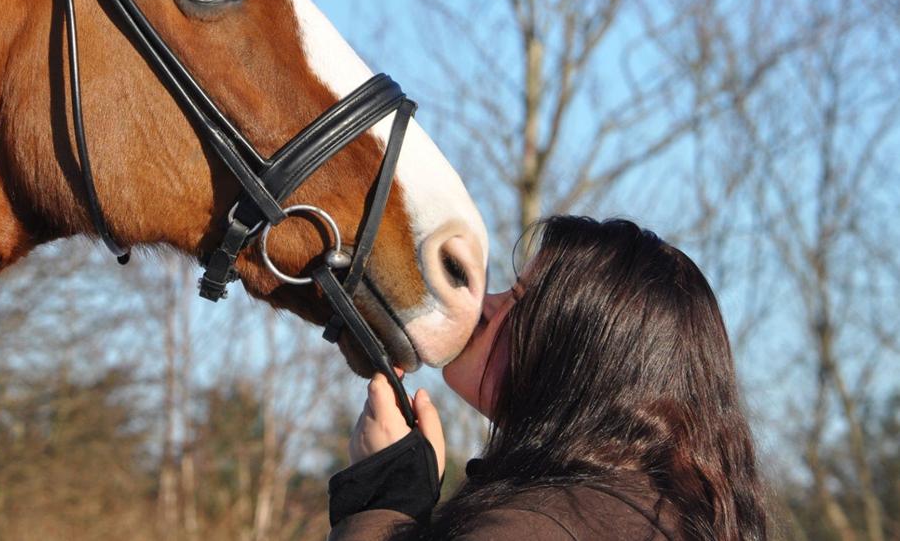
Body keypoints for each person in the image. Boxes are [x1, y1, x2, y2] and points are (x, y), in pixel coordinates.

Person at [328, 216, 768, 540]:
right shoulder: (657, 515)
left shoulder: (536, 527)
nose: (484, 304)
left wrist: (383, 500)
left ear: (575, 352)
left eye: (519, 300)